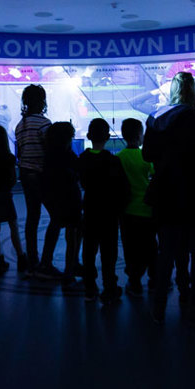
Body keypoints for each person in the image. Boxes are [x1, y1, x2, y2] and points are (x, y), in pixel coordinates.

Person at [143, 72, 195, 326]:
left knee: (166, 255)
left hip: (166, 196)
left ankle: (159, 309)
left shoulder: (156, 120)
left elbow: (147, 155)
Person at [78, 119, 130, 303]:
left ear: (89, 136)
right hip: (109, 214)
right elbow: (123, 189)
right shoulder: (112, 161)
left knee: (89, 251)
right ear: (108, 137)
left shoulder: (83, 160)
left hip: (90, 210)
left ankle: (89, 287)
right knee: (109, 253)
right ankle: (109, 286)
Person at [35, 121, 81, 280]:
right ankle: (71, 267)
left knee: (55, 224)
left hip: (51, 197)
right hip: (69, 197)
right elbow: (78, 168)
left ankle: (46, 263)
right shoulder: (67, 155)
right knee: (73, 231)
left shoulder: (49, 155)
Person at [14, 85, 52, 273]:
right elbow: (50, 151)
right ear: (42, 101)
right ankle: (45, 260)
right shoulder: (44, 124)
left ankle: (32, 258)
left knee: (32, 216)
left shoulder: (20, 125)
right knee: (56, 216)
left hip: (25, 173)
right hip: (41, 174)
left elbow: (20, 153)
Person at [117, 118, 156, 296]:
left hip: (127, 212)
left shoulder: (119, 158)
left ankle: (134, 282)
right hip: (147, 210)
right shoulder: (146, 157)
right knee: (150, 246)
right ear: (140, 135)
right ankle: (155, 278)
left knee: (130, 248)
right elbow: (155, 175)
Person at [0, 125, 27, 275]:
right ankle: (21, 258)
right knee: (13, 226)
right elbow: (13, 179)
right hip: (6, 195)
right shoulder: (9, 158)